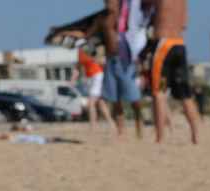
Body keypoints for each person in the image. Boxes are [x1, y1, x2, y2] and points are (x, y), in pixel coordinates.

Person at [86, 0, 148, 139]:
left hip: (126, 60)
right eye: (106, 2)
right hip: (110, 60)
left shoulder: (128, 17)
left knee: (134, 99)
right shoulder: (103, 19)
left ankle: (139, 119)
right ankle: (121, 130)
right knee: (115, 99)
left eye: (111, 2)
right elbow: (89, 35)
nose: (109, 5)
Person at [147, 0, 200, 144]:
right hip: (180, 44)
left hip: (164, 45)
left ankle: (160, 138)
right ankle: (196, 136)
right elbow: (184, 24)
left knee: (159, 92)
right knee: (185, 94)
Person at [70, 49, 115, 134]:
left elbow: (103, 59)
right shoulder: (80, 51)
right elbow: (78, 66)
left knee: (91, 103)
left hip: (97, 74)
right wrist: (72, 79)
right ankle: (110, 123)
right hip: (89, 77)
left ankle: (93, 126)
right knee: (100, 103)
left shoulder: (92, 46)